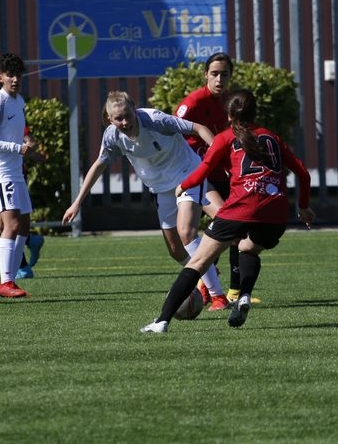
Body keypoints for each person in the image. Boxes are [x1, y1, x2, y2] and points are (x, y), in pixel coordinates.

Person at [141, 88, 315, 333]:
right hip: (275, 214)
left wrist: (184, 185)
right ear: (255, 111)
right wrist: (304, 208)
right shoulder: (272, 137)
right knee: (247, 247)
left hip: (241, 208)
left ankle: (161, 322)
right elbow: (303, 174)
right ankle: (243, 296)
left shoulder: (225, 137)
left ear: (229, 115)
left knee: (198, 262)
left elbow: (203, 170)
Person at [62, 91, 229, 308]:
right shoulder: (112, 136)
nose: (124, 122)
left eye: (127, 115)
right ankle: (205, 269)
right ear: (108, 120)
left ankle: (218, 296)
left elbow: (198, 128)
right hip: (161, 188)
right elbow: (98, 165)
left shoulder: (155, 120)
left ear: (134, 108)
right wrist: (77, 203)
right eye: (118, 118)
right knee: (176, 250)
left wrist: (222, 156)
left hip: (187, 174)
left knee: (187, 232)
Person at [174, 52, 252, 306]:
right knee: (220, 228)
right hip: (198, 176)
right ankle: (208, 286)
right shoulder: (192, 103)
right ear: (205, 74)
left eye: (224, 74)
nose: (219, 79)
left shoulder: (231, 102)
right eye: (215, 73)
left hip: (224, 176)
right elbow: (174, 135)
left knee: (233, 229)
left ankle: (228, 291)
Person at [0, 53, 40, 298]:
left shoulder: (19, 100)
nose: (15, 79)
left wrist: (26, 146)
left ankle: (11, 279)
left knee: (24, 224)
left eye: (18, 75)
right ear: (1, 77)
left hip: (15, 171)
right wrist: (17, 148)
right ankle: (5, 282)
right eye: (10, 75)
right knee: (12, 224)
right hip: (1, 173)